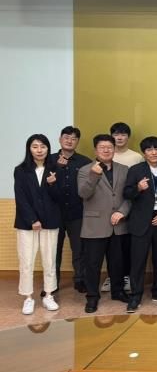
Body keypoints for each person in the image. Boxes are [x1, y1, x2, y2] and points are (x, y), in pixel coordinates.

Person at [78, 134, 131, 313]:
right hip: (95, 225)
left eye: (110, 147)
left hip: (119, 224)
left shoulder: (124, 169)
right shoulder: (85, 170)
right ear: (96, 150)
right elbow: (83, 193)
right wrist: (94, 175)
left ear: (114, 149)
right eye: (102, 147)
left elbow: (129, 196)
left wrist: (122, 212)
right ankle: (92, 297)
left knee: (117, 262)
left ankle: (118, 291)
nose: (107, 150)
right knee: (93, 264)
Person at [123, 136, 157, 313]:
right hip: (141, 220)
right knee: (138, 260)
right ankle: (135, 295)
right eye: (149, 149)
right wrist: (138, 188)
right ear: (144, 153)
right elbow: (126, 193)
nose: (154, 152)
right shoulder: (136, 170)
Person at [14, 134, 61, 314]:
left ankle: (49, 295)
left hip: (50, 220)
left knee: (49, 260)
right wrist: (32, 219)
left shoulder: (55, 168)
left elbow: (59, 198)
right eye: (35, 146)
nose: (39, 150)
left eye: (43, 146)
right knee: (26, 261)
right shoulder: (21, 170)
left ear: (48, 148)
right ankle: (28, 298)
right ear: (29, 149)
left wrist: (53, 184)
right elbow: (21, 198)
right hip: (27, 223)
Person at [49, 126, 92, 294]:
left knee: (79, 249)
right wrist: (57, 168)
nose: (69, 141)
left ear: (77, 142)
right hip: (54, 213)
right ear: (60, 139)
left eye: (73, 138)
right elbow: (44, 184)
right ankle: (52, 283)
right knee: (53, 249)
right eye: (66, 137)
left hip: (77, 212)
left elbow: (89, 187)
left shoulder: (85, 162)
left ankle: (80, 280)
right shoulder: (49, 160)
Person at [104, 122, 142, 294]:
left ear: (128, 137)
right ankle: (112, 277)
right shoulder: (104, 155)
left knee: (126, 245)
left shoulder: (136, 157)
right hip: (107, 208)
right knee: (110, 245)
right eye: (116, 134)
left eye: (123, 134)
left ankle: (126, 276)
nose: (119, 137)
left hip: (129, 205)